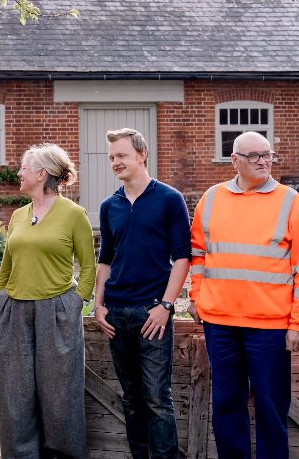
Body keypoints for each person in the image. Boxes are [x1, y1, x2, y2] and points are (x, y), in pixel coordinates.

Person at [188, 131, 299, 459]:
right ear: (234, 160)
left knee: (271, 407)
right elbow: (199, 254)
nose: (263, 161)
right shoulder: (212, 199)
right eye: (254, 156)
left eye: (267, 154)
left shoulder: (291, 202)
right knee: (226, 405)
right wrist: (196, 296)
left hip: (270, 327)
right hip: (219, 323)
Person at [0, 143, 96, 458]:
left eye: (24, 168)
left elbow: (88, 267)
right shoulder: (19, 215)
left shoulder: (74, 214)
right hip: (13, 311)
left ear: (41, 173)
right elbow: (6, 268)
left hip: (57, 310)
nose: (18, 173)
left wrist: (75, 303)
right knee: (15, 395)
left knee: (60, 394)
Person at [91, 128, 191, 459]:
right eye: (111, 158)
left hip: (152, 314)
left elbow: (182, 257)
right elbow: (105, 259)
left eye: (121, 155)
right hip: (117, 314)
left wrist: (166, 305)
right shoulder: (110, 206)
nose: (115, 162)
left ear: (141, 155)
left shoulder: (169, 199)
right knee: (131, 397)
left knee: (157, 397)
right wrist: (99, 304)